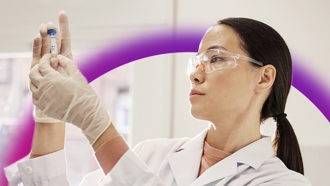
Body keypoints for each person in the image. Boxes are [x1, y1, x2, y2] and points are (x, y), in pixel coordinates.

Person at [4, 11, 312, 185]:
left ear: (264, 77)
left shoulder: (282, 183)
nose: (195, 73)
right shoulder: (151, 154)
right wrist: (49, 117)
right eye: (197, 60)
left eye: (216, 58)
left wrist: (96, 124)